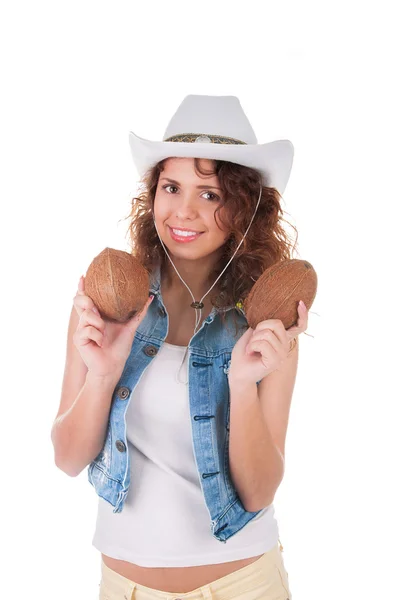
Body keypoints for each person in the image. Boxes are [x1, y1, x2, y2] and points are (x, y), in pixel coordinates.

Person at [52, 95, 308, 599]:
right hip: (125, 587)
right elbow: (67, 458)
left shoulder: (265, 326)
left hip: (242, 583)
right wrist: (103, 375)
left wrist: (243, 383)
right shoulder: (107, 301)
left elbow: (259, 490)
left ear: (245, 206)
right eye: (171, 187)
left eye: (210, 194)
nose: (184, 210)